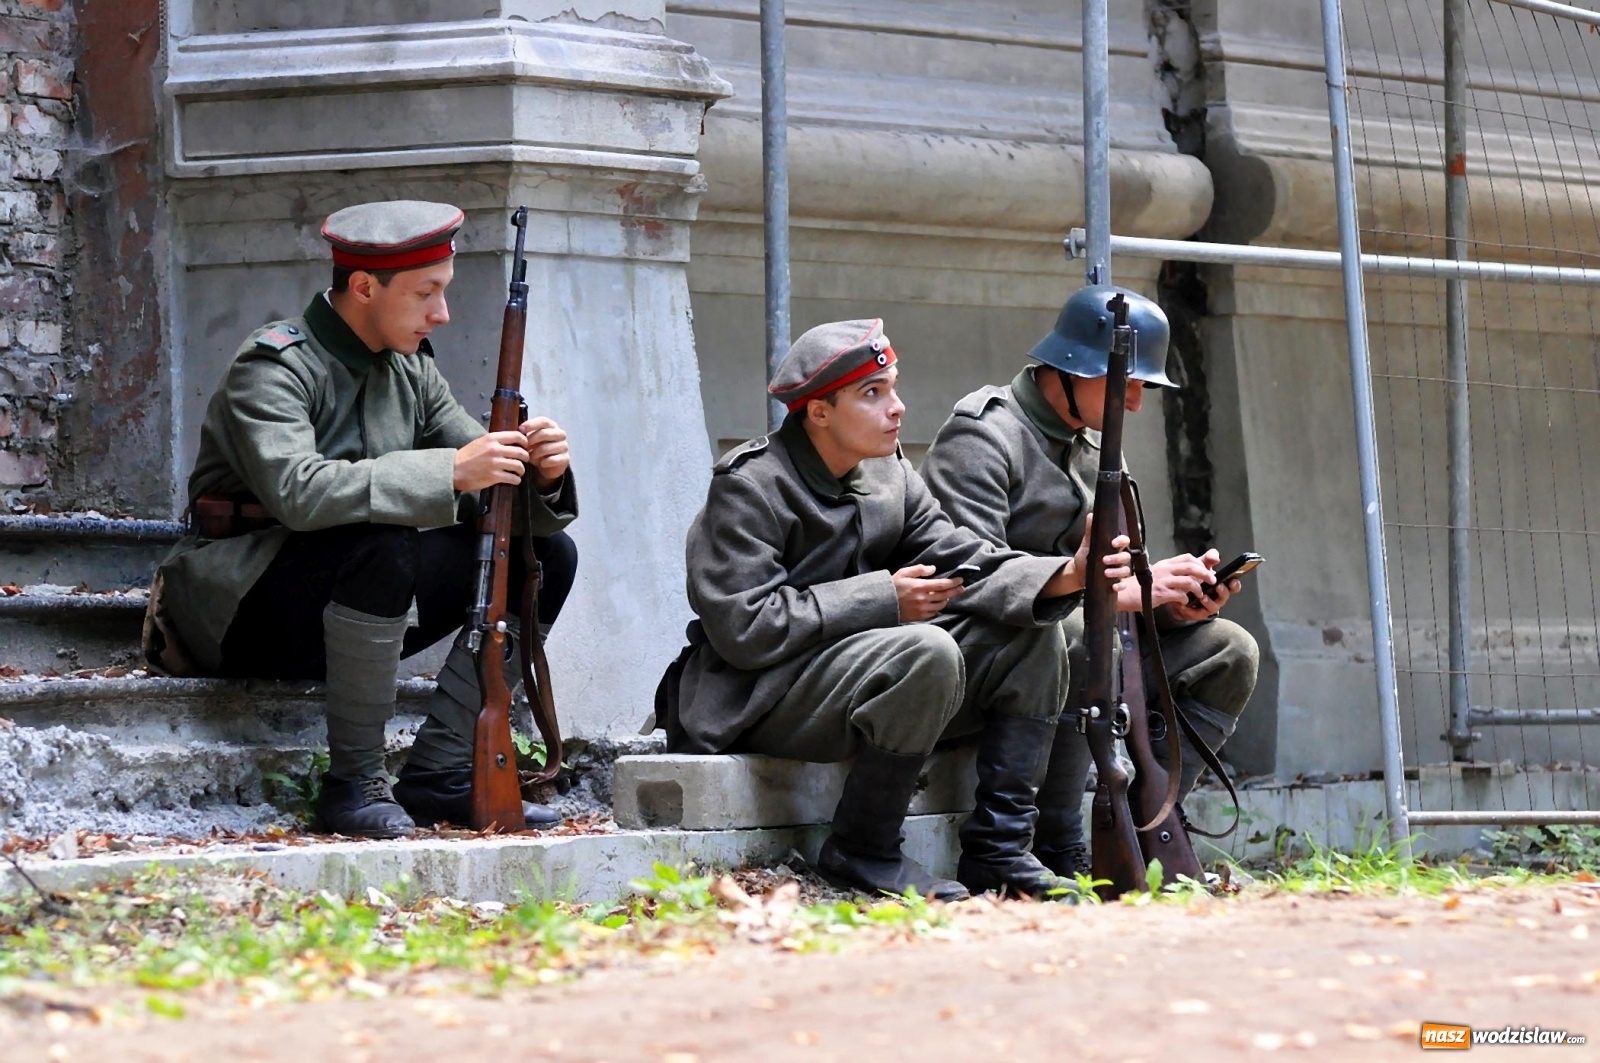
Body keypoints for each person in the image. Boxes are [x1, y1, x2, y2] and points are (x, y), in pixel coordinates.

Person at [142, 200, 579, 838]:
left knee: (547, 556)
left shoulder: (412, 372)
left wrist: (538, 470)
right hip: (233, 607)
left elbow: (490, 488)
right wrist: (453, 471)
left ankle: (441, 772)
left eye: (444, 291)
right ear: (366, 287)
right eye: (426, 293)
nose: (442, 313)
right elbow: (298, 492)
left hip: (344, 596)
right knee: (381, 539)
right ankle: (353, 784)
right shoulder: (273, 365)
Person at [655, 318, 1132, 900]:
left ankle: (1000, 851)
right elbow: (745, 627)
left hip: (853, 677)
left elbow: (957, 554)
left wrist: (1066, 574)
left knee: (1030, 634)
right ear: (819, 412)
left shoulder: (889, 473)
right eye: (872, 394)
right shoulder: (751, 486)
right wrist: (885, 598)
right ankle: (864, 848)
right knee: (924, 648)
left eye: (894, 387)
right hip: (760, 694)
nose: (898, 408)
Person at [920, 284, 1259, 878]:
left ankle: (1141, 825)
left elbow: (1119, 586)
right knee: (1080, 635)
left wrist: (1172, 602)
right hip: (989, 665)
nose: (1134, 403)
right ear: (1071, 368)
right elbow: (963, 575)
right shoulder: (983, 435)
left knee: (1230, 649)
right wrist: (1098, 591)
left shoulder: (1097, 447)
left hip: (1084, 647)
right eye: (1125, 382)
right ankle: (1054, 846)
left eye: (1143, 387)